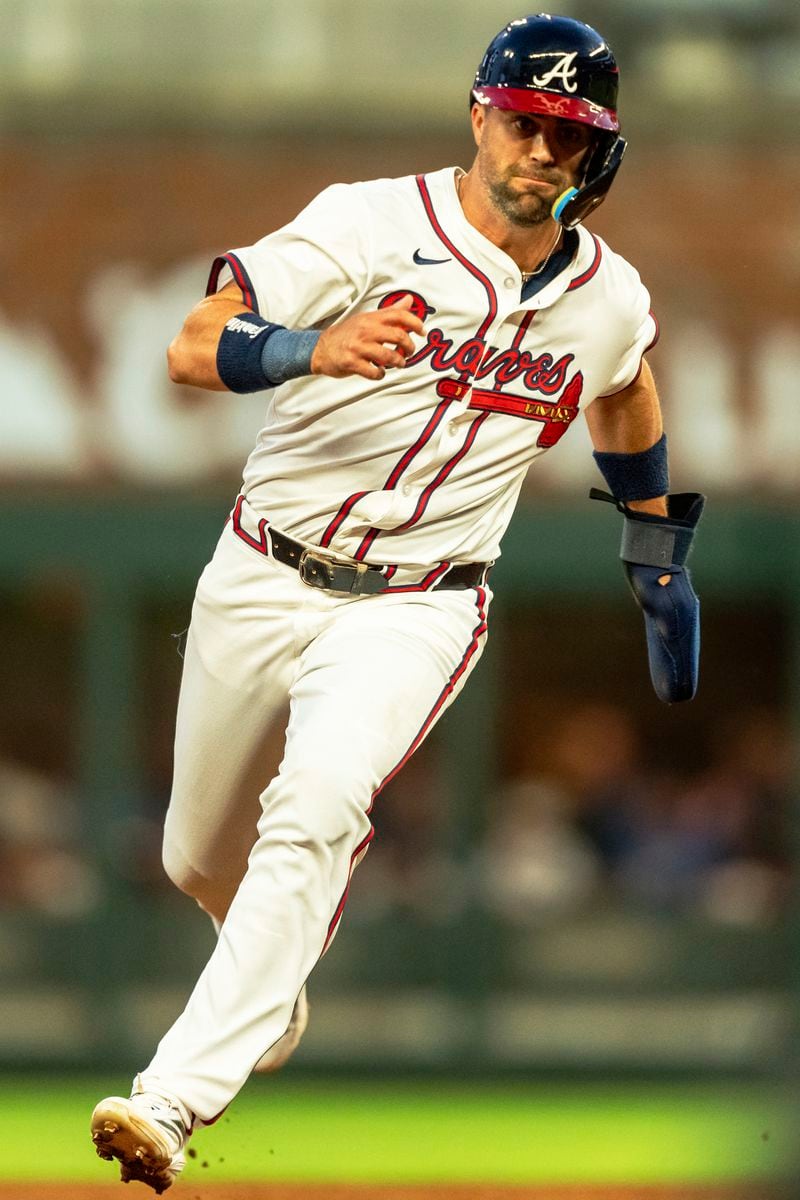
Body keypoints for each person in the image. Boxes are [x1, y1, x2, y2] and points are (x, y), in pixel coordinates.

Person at [90, 13, 703, 1193]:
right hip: (263, 570)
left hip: (418, 603)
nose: (542, 152)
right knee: (192, 859)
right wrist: (310, 349)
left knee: (317, 803)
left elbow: (623, 390)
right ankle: (263, 996)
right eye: (525, 123)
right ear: (479, 115)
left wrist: (651, 538)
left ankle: (170, 1101)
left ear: (597, 150)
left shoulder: (605, 297)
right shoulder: (365, 220)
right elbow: (188, 345)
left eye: (568, 135)